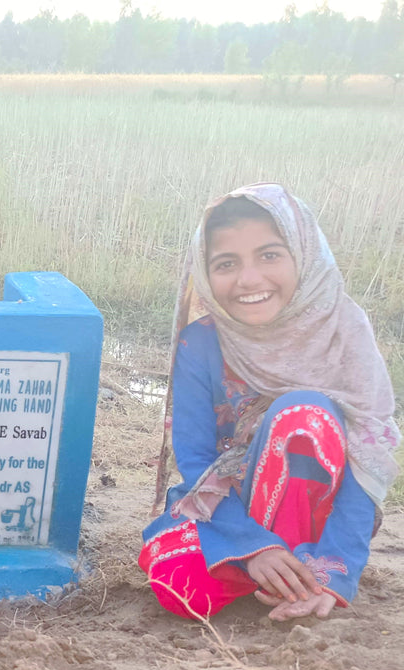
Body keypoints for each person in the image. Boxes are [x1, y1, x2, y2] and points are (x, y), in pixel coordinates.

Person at [140, 183, 399, 622]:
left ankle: (308, 573)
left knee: (303, 413)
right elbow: (197, 459)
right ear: (204, 273)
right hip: (230, 512)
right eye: (226, 263)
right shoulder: (200, 342)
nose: (249, 279)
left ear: (304, 255)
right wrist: (254, 547)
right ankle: (270, 570)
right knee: (180, 589)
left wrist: (339, 567)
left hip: (320, 525)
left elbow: (365, 460)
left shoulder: (344, 331)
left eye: (269, 255)